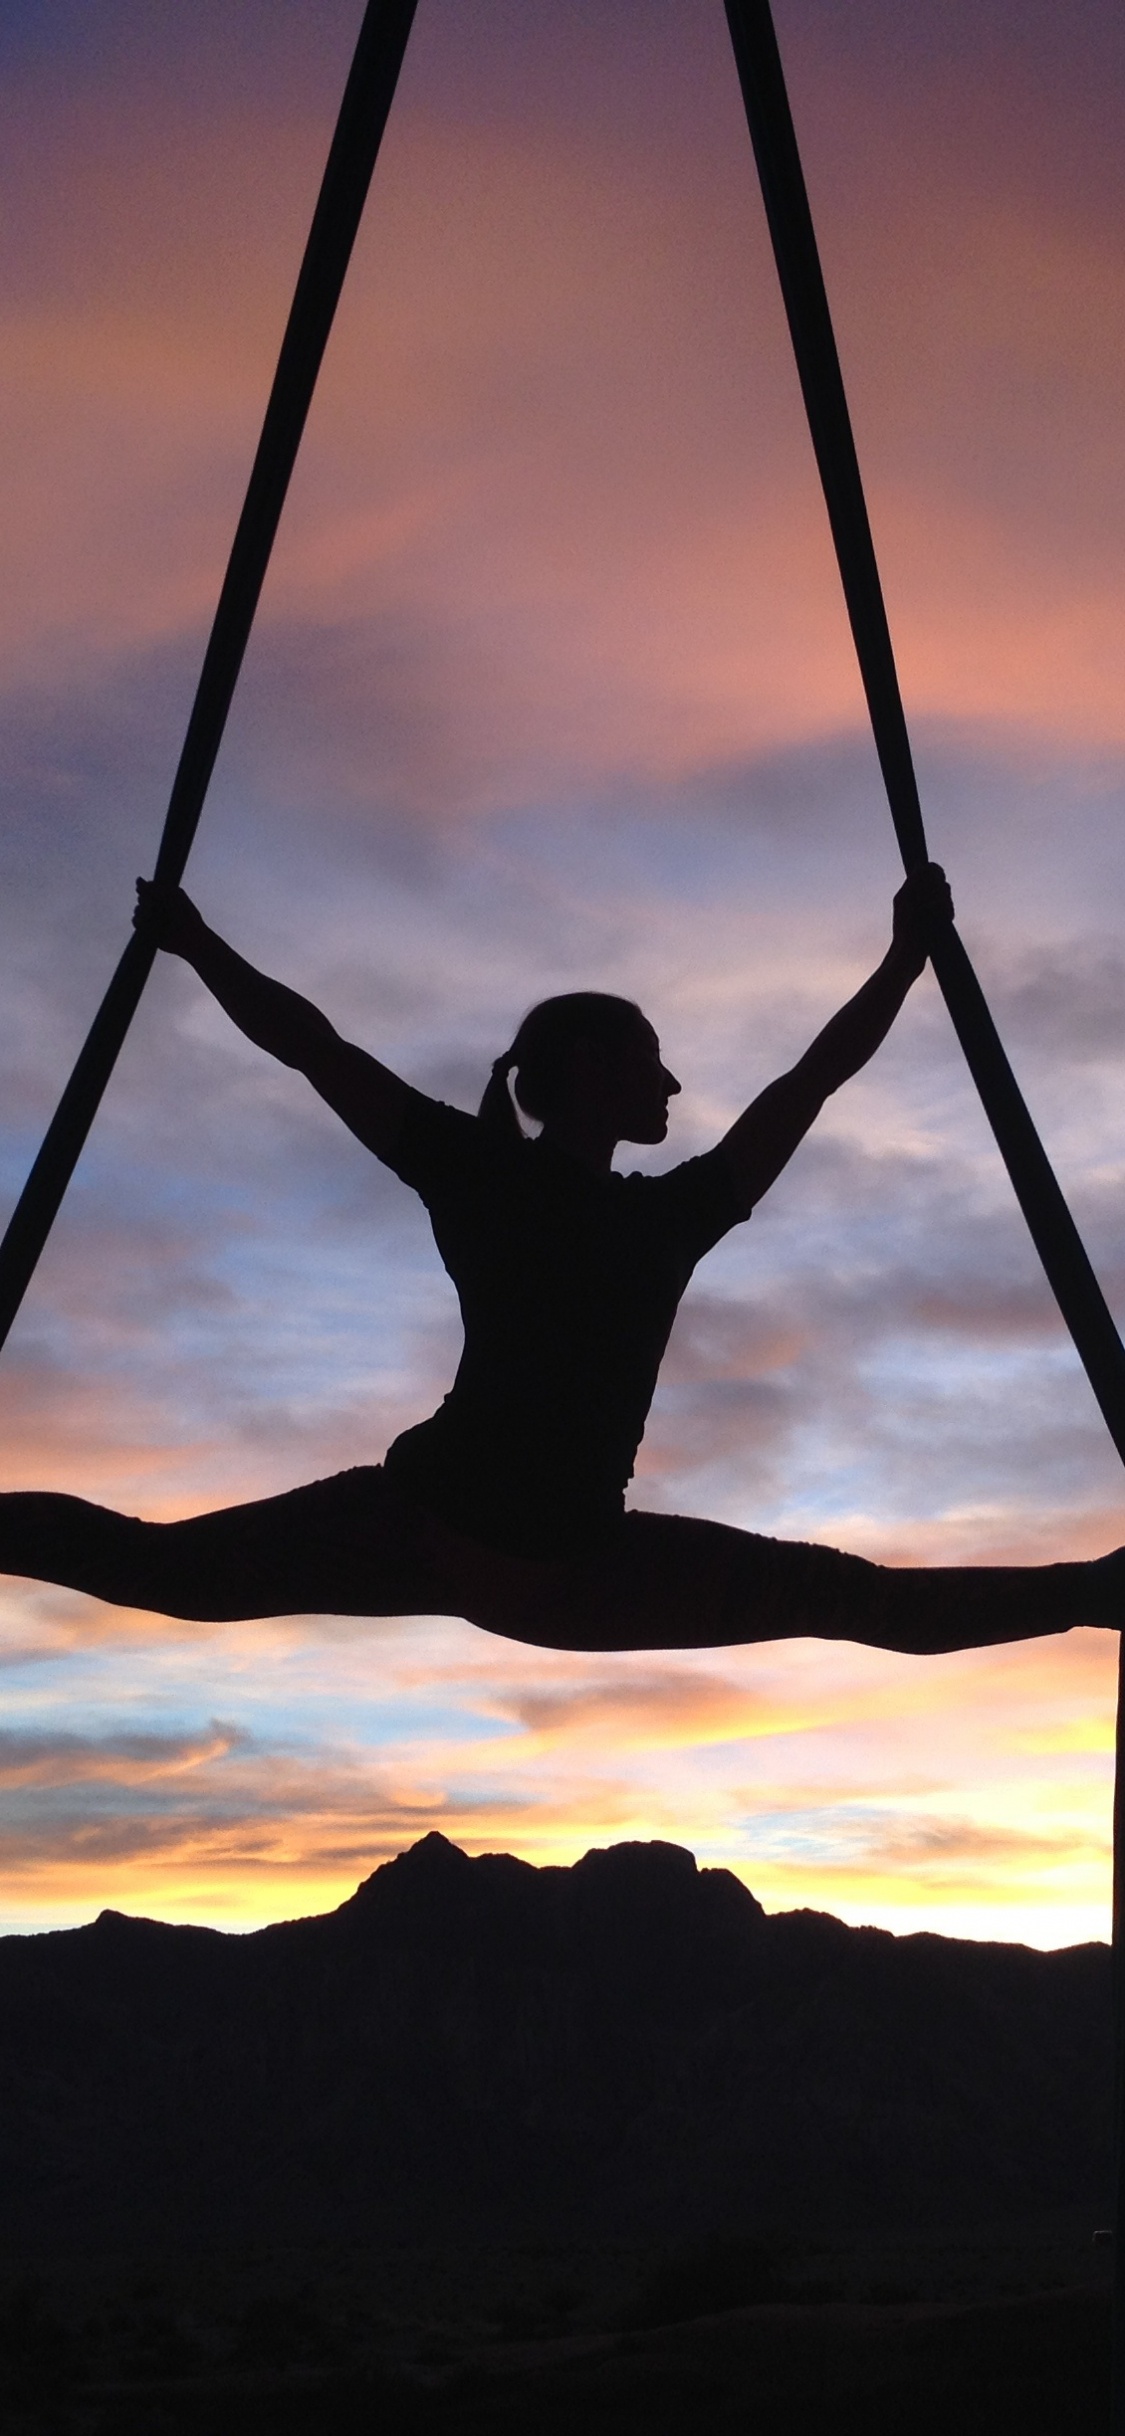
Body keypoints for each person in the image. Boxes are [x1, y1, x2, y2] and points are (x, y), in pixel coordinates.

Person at [0, 865, 1118, 1655]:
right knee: (159, 1571)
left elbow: (809, 1083)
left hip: (523, 1554)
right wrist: (194, 947)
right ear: (591, 1067)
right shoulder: (517, 1179)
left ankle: (1098, 1591)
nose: (674, 1086)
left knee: (848, 1599)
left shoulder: (623, 1203)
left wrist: (907, 961)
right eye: (653, 1061)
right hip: (467, 1539)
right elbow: (312, 1047)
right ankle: (1097, 1591)